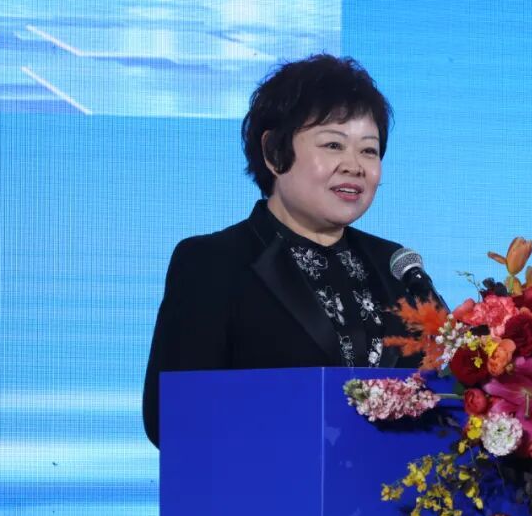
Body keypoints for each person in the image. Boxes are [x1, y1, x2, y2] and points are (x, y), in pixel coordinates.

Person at [142, 54, 435, 447]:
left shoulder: (396, 267)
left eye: (369, 150)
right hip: (262, 483)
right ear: (275, 153)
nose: (354, 166)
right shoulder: (213, 263)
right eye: (333, 144)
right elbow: (171, 418)